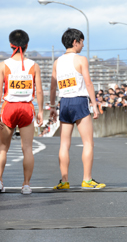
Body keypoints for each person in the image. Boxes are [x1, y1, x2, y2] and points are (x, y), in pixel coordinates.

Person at [50, 28, 104, 190]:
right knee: (88, 143)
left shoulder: (57, 62)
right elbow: (88, 83)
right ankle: (87, 179)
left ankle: (64, 180)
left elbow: (53, 88)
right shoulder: (81, 60)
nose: (82, 45)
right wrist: (94, 104)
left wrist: (52, 106)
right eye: (81, 42)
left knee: (64, 144)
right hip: (79, 101)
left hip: (64, 102)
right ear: (75, 42)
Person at [0, 30, 44, 195]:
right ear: (27, 45)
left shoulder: (3, 65)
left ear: (11, 44)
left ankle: (0, 181)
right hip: (27, 107)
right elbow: (39, 91)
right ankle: (26, 185)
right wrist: (40, 111)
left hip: (9, 107)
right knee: (27, 148)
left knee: (3, 148)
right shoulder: (34, 66)